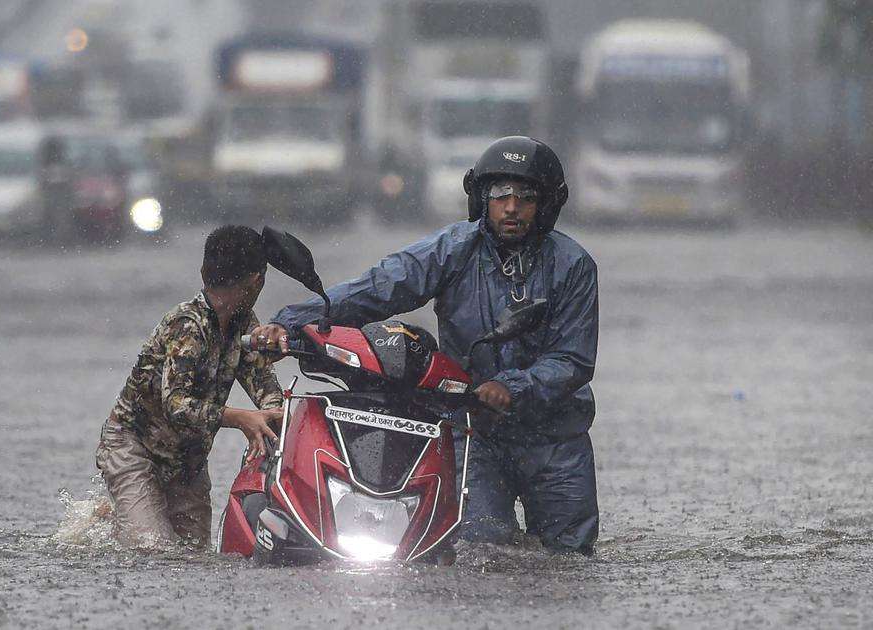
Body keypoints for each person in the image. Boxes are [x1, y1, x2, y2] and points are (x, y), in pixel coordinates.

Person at [252, 136, 600, 555]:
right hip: (473, 431)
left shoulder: (574, 265)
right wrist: (290, 323)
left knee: (571, 561)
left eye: (525, 197)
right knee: (479, 552)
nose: (511, 207)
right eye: (500, 195)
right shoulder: (453, 249)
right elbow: (380, 287)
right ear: (481, 199)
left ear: (546, 204)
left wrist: (512, 387)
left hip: (556, 439)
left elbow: (572, 359)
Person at [96, 225, 283, 548]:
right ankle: (114, 516)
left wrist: (274, 416)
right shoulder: (187, 325)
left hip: (187, 461)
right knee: (153, 548)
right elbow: (176, 404)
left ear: (204, 271)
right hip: (134, 446)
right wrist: (241, 418)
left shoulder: (244, 324)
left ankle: (125, 516)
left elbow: (263, 383)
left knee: (193, 556)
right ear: (257, 281)